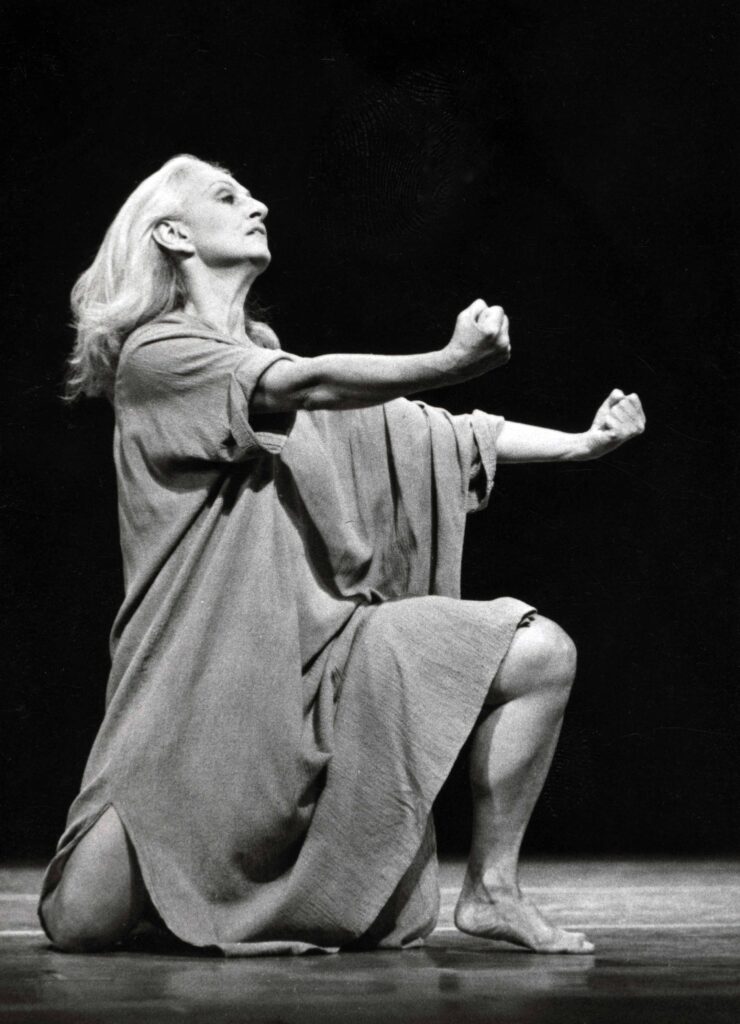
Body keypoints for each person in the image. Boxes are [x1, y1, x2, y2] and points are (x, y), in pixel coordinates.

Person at [39, 154, 645, 957]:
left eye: (252, 192)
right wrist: (448, 360)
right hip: (197, 692)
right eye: (228, 196)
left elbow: (436, 434)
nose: (257, 203)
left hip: (327, 659)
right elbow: (313, 383)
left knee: (538, 652)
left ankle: (493, 890)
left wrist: (582, 446)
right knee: (82, 924)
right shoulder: (162, 358)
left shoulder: (269, 368)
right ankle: (199, 882)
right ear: (174, 234)